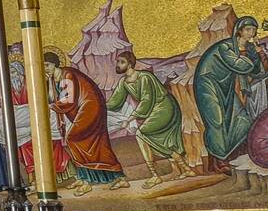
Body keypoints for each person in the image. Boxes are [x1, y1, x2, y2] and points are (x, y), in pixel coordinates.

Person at [193, 16, 268, 188]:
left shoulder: (248, 48)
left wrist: (257, 53)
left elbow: (257, 71)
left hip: (225, 87)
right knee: (217, 120)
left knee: (241, 119)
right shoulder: (225, 47)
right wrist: (253, 56)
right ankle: (217, 161)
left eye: (254, 30)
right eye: (248, 29)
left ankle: (229, 155)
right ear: (239, 30)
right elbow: (239, 65)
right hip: (208, 84)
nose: (252, 33)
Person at [44, 52, 128, 195]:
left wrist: (51, 106)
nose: (45, 68)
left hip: (91, 107)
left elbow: (68, 101)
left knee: (73, 138)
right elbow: (52, 98)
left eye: (47, 65)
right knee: (97, 144)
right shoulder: (54, 79)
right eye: (43, 66)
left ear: (55, 64)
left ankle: (87, 181)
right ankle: (91, 178)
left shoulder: (67, 75)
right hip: (82, 110)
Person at [106, 51, 192, 188]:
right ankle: (185, 168)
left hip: (164, 106)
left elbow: (147, 100)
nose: (118, 64)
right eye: (117, 61)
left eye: (121, 62)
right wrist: (97, 105)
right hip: (153, 111)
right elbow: (114, 102)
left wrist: (129, 120)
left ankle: (155, 176)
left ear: (130, 64)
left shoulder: (144, 77)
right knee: (154, 139)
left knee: (141, 133)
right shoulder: (124, 82)